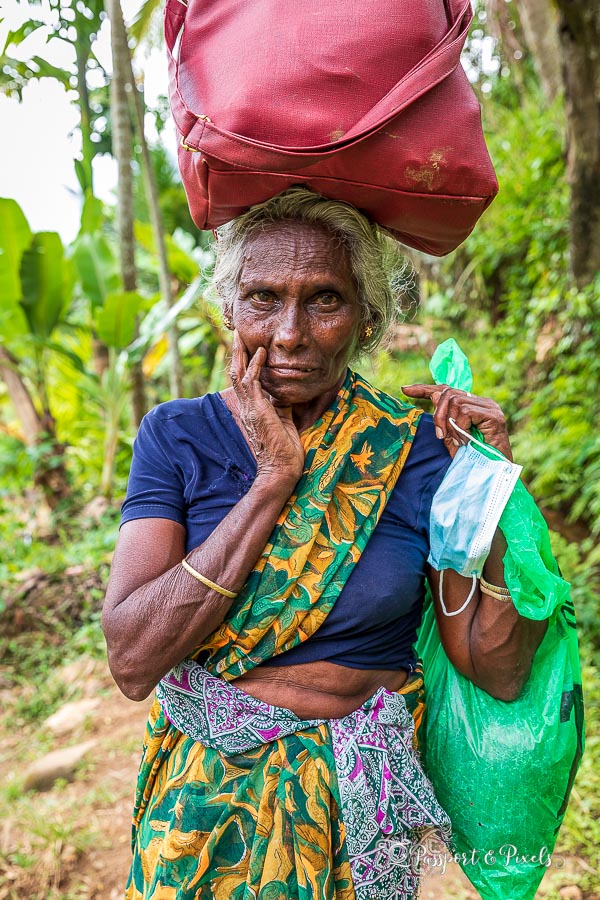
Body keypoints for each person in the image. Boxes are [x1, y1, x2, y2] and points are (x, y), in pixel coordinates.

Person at [103, 187, 547, 900]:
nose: (289, 333)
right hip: (204, 813)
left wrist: (489, 495)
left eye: (325, 301)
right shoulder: (178, 435)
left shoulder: (411, 450)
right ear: (228, 311)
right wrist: (273, 480)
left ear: (368, 321)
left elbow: (496, 670)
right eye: (262, 298)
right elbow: (132, 658)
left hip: (355, 810)